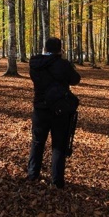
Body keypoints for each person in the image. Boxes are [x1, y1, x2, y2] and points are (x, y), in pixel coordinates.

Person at [28, 37, 81, 189]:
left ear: (45, 48)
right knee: (59, 145)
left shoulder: (35, 64)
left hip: (40, 109)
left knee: (37, 142)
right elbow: (75, 79)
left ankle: (33, 174)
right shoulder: (63, 65)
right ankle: (57, 181)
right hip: (60, 110)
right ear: (59, 49)